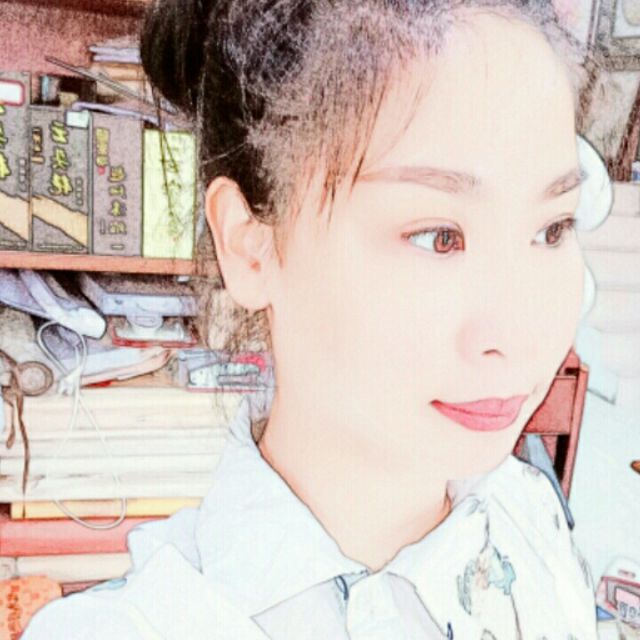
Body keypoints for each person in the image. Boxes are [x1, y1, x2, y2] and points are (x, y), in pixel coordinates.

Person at [23, 0, 607, 638]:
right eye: (439, 237)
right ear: (251, 246)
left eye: (553, 228)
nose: (520, 335)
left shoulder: (530, 518)